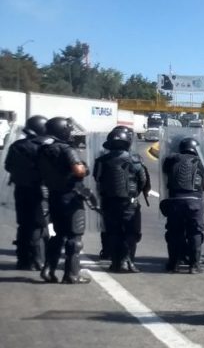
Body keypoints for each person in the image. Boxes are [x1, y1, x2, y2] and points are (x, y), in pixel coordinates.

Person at [37, 117, 94, 284]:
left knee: (58, 235)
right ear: (62, 131)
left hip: (54, 195)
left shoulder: (44, 149)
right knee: (74, 238)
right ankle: (71, 274)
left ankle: (48, 270)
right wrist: (85, 168)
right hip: (71, 197)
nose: (70, 132)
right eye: (68, 129)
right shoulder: (66, 149)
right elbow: (79, 170)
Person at [93, 126, 150, 273]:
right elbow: (143, 180)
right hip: (129, 202)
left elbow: (97, 179)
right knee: (131, 232)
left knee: (113, 232)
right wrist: (135, 192)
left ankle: (115, 262)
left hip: (108, 202)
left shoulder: (101, 160)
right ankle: (127, 261)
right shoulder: (135, 160)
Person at [3, 115, 50, 270]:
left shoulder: (16, 146)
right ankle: (37, 260)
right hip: (39, 191)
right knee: (38, 225)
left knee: (23, 224)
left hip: (21, 189)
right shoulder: (42, 147)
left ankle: (23, 259)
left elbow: (8, 166)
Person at [161, 138, 204, 273]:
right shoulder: (202, 163)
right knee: (195, 232)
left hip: (174, 200)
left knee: (174, 233)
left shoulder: (171, 159)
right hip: (194, 201)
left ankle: (173, 264)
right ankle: (194, 266)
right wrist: (199, 190)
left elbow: (166, 175)